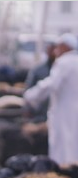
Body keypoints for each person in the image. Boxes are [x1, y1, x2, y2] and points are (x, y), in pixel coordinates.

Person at [24, 33, 78, 166]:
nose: (55, 52)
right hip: (72, 110)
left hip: (64, 112)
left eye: (57, 48)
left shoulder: (64, 62)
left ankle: (64, 173)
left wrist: (31, 95)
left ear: (65, 47)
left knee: (62, 146)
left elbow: (51, 84)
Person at [24, 43, 56, 123]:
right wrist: (27, 109)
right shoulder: (38, 70)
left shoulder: (63, 70)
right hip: (40, 114)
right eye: (50, 50)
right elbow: (28, 90)